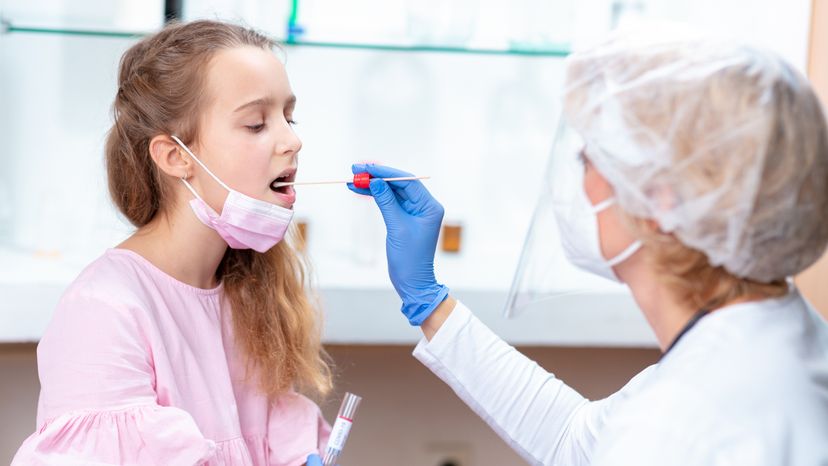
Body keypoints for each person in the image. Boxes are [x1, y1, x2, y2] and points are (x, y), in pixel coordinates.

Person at [349, 28, 828, 465]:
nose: (578, 178)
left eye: (590, 156)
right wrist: (428, 300)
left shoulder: (679, 427)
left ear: (661, 201)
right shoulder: (773, 335)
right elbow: (575, 441)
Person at [12, 20, 333, 466]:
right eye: (257, 124)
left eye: (289, 117)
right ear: (176, 156)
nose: (292, 140)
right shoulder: (105, 310)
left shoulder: (249, 294)